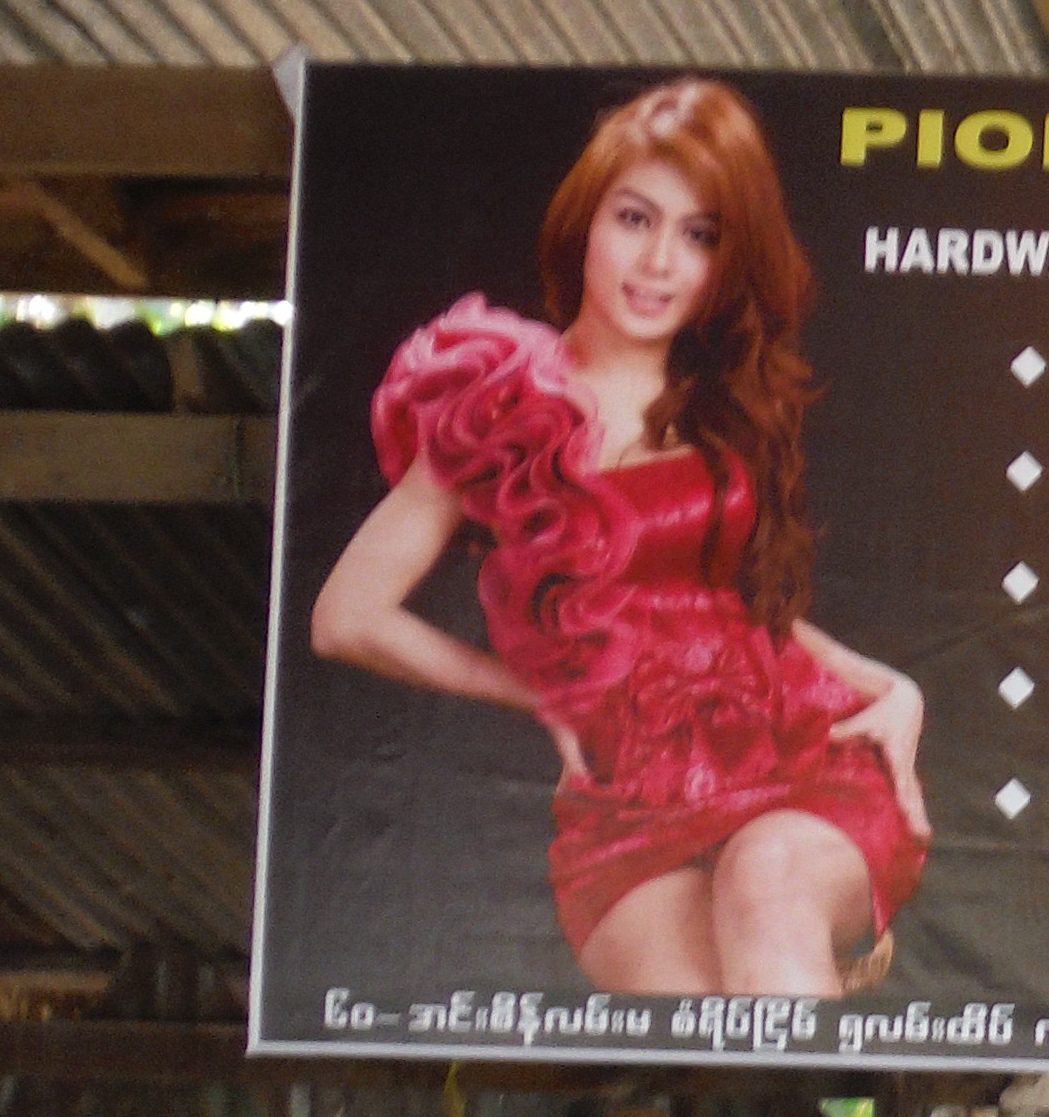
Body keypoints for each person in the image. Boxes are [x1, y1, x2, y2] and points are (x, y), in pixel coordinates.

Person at [310, 76, 928, 996]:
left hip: (795, 765)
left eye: (700, 235)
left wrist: (894, 690)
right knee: (710, 1033)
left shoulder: (723, 405)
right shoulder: (502, 402)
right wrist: (535, 695)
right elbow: (346, 618)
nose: (660, 263)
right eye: (635, 219)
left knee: (765, 884)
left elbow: (739, 617)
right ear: (585, 225)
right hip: (630, 808)